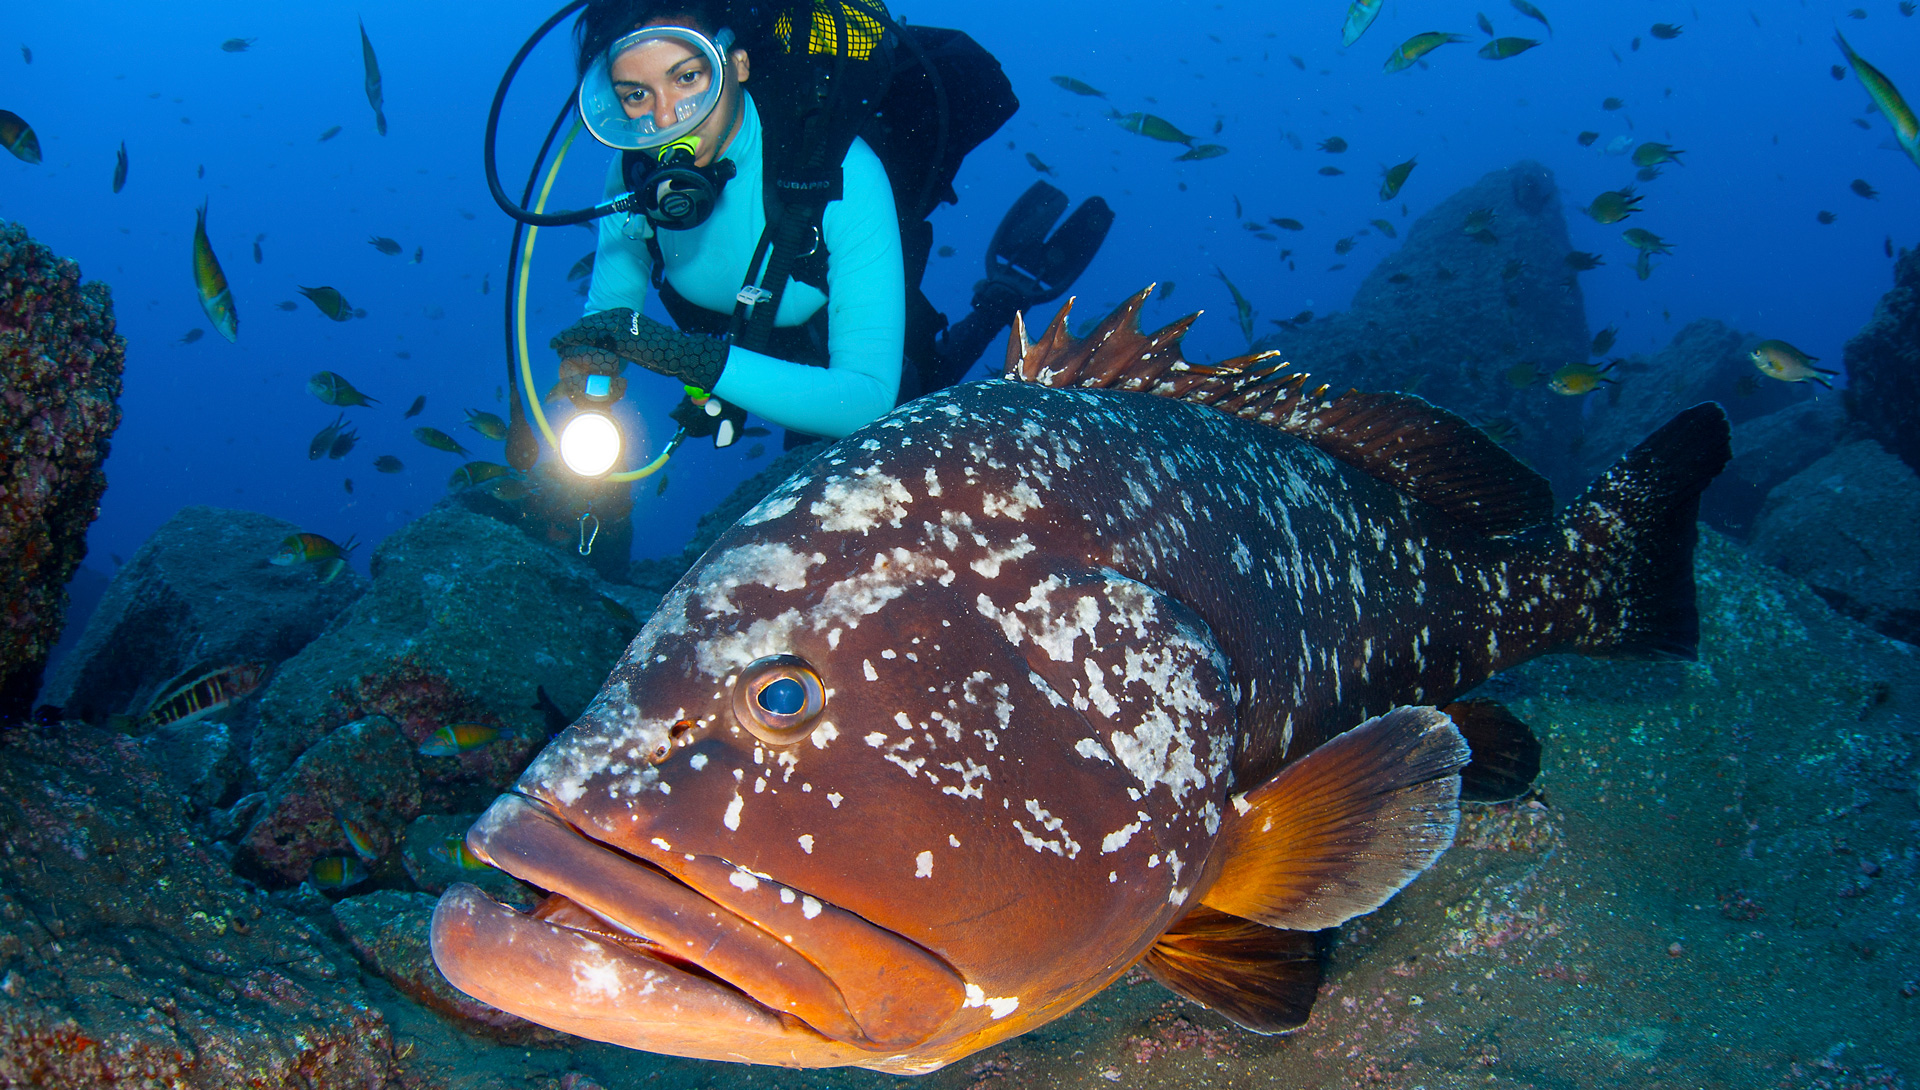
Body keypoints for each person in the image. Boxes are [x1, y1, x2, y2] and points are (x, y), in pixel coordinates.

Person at [549, 0, 1112, 450]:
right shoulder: (633, 172)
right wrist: (594, 365)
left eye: (688, 77)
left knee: (917, 392)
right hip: (748, 347)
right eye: (636, 95)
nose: (666, 120)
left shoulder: (845, 172)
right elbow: (612, 312)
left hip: (838, 338)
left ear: (736, 64)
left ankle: (999, 301)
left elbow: (864, 399)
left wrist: (686, 358)